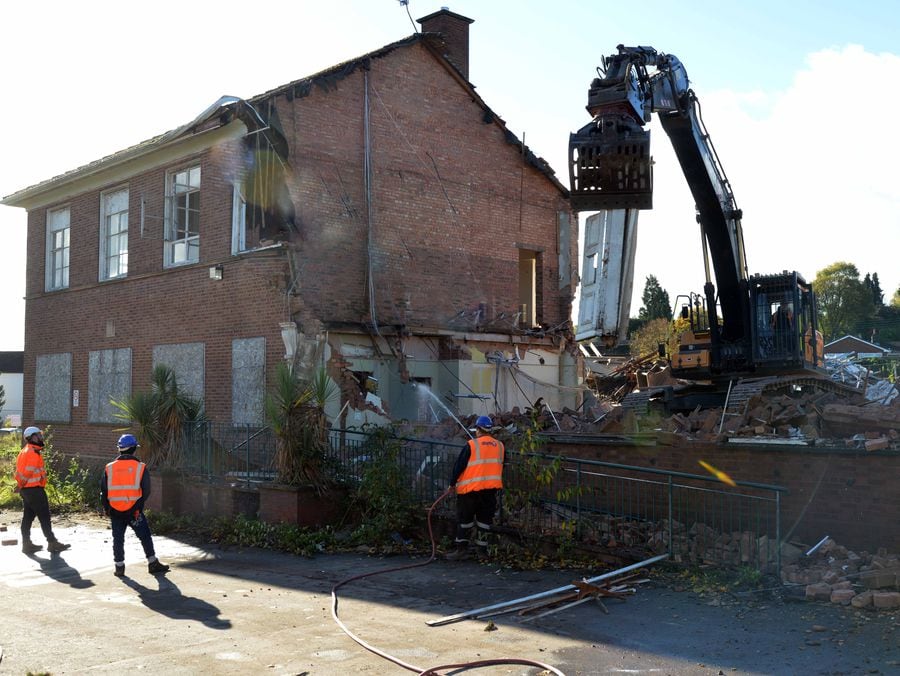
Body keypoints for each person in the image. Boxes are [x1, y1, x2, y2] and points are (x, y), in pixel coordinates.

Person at [100, 433, 170, 578]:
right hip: (134, 512)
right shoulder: (140, 467)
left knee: (118, 539)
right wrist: (137, 507)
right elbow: (146, 490)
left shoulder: (109, 467)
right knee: (145, 536)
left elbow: (103, 491)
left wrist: (107, 509)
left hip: (115, 511)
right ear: (133, 449)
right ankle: (152, 563)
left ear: (120, 449)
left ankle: (119, 568)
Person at [447, 415, 505, 558]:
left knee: (464, 520)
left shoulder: (472, 445)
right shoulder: (500, 446)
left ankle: (461, 550)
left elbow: (458, 466)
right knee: (484, 521)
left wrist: (452, 484)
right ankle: (482, 552)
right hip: (490, 491)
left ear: (478, 429)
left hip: (470, 491)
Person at [14, 426, 71, 554]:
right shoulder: (33, 453)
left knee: (28, 517)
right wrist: (21, 485)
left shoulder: (25, 450)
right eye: (38, 435)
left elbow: (20, 472)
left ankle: (26, 544)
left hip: (27, 491)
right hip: (34, 490)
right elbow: (28, 472)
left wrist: (20, 486)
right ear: (32, 437)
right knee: (44, 516)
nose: (41, 437)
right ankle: (52, 543)